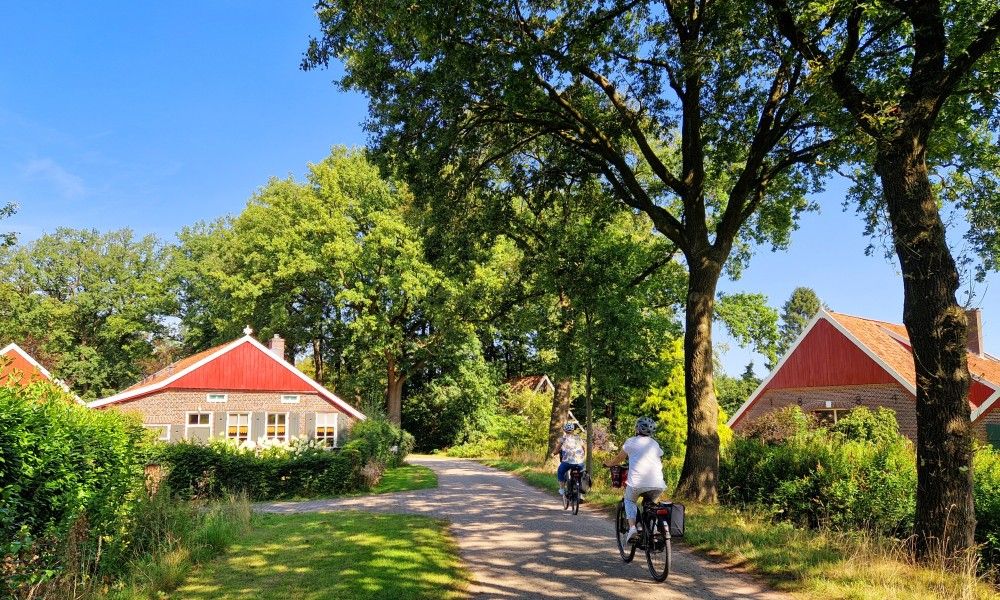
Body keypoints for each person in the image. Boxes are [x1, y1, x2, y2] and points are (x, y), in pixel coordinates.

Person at [603, 416, 665, 542]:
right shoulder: (655, 444)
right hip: (658, 485)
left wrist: (609, 464)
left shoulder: (631, 442)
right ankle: (653, 530)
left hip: (637, 484)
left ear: (637, 428)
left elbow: (618, 459)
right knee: (651, 505)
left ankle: (632, 528)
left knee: (629, 500)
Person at [554, 422, 585, 497]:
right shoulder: (578, 438)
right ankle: (581, 492)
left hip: (567, 462)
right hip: (579, 462)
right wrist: (582, 456)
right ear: (573, 430)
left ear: (564, 430)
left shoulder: (563, 439)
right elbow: (583, 448)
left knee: (560, 471)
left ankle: (562, 489)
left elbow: (557, 450)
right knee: (581, 474)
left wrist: (554, 453)